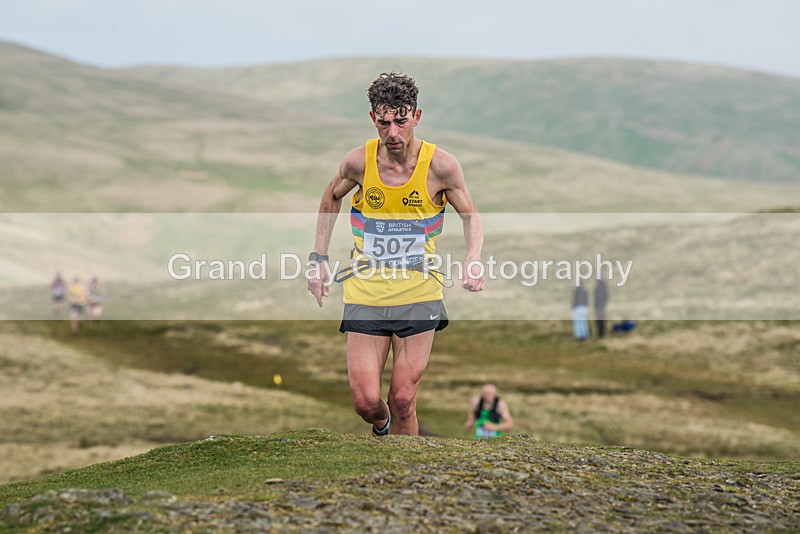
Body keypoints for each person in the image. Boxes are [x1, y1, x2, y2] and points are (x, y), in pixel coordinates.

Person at [307, 72, 484, 436]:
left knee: (403, 398)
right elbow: (331, 196)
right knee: (366, 402)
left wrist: (474, 257)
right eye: (384, 122)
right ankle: (383, 427)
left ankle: (405, 476)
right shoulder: (358, 162)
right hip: (366, 292)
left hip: (420, 292)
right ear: (373, 117)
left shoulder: (441, 166)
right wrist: (318, 259)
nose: (392, 134)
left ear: (416, 117)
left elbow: (471, 215)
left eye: (401, 122)